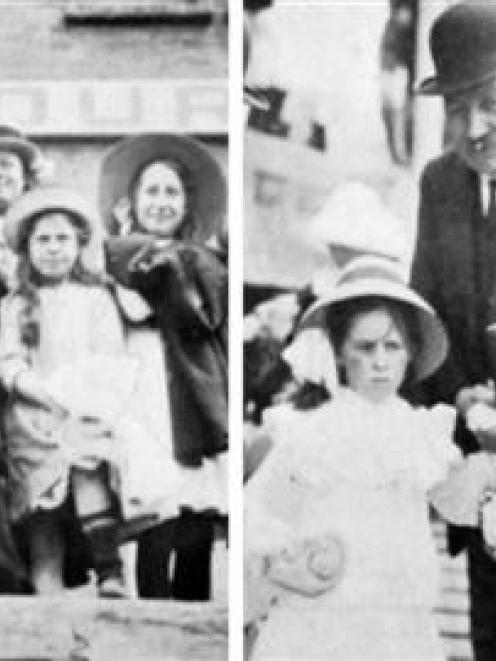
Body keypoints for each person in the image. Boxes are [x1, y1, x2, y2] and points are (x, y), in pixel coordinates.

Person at [245, 256, 466, 659]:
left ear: (409, 354)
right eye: (365, 347)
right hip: (322, 627)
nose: (380, 362)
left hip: (398, 631)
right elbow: (259, 516)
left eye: (392, 347)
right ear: (340, 353)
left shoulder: (423, 435)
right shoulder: (310, 433)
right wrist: (289, 561)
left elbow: (461, 502)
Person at [99, 133, 228, 601]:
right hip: (142, 385)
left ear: (187, 204)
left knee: (194, 515)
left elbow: (205, 321)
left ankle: (198, 629)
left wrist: (172, 274)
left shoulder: (206, 264)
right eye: (151, 191)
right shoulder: (113, 256)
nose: (160, 201)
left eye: (171, 192)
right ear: (131, 202)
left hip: (191, 390)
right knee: (155, 514)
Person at [412, 4, 496, 658]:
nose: (476, 128)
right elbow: (424, 314)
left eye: (491, 103)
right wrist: (461, 393)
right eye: (458, 108)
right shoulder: (438, 184)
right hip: (482, 468)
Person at [0, 186, 133, 598]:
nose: (53, 249)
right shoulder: (15, 305)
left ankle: (109, 569)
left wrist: (83, 393)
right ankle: (50, 617)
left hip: (83, 410)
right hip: (32, 421)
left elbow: (110, 355)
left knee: (88, 468)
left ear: (79, 245)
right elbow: (8, 363)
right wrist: (37, 388)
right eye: (43, 239)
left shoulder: (96, 299)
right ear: (26, 248)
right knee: (44, 524)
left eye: (63, 239)